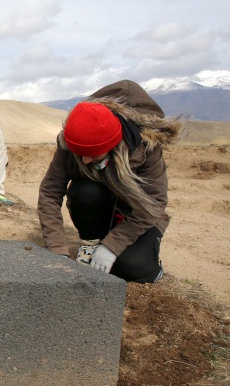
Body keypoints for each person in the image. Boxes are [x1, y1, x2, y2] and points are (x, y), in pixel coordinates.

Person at [38, 80, 186, 283]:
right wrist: (57, 249)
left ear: (113, 145)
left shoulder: (146, 149)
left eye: (92, 154)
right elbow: (49, 193)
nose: (85, 160)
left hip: (137, 216)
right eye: (80, 154)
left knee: (133, 268)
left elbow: (155, 204)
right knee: (86, 191)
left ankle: (150, 266)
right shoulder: (72, 140)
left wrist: (112, 246)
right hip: (100, 206)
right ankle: (91, 243)